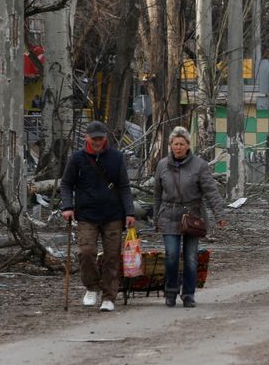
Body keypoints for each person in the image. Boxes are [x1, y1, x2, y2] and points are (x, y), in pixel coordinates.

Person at [60, 121, 136, 312]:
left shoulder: (116, 158)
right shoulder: (77, 159)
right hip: (86, 214)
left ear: (105, 138)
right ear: (86, 138)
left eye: (100, 138)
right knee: (86, 252)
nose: (97, 142)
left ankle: (109, 297)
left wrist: (130, 212)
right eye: (93, 139)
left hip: (113, 215)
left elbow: (124, 187)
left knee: (111, 256)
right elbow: (66, 184)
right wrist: (67, 206)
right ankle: (92, 286)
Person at [153, 126, 227, 308]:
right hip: (169, 215)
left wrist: (220, 215)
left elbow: (211, 192)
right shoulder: (162, 165)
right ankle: (170, 291)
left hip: (193, 216)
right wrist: (156, 219)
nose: (178, 147)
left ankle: (188, 294)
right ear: (170, 145)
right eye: (175, 144)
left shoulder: (199, 166)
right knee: (171, 255)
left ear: (188, 146)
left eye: (182, 144)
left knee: (190, 258)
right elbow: (157, 194)